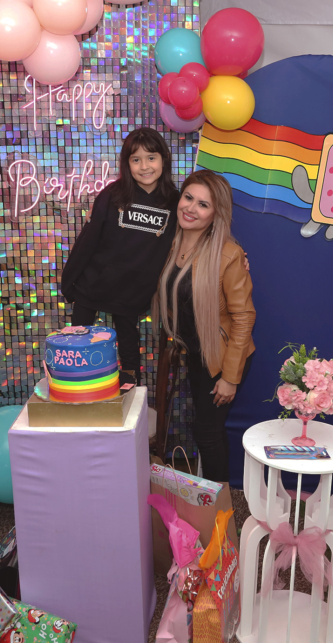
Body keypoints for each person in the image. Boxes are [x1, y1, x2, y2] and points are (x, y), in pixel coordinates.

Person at [153, 169, 255, 483]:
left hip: (221, 355)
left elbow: (244, 317)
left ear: (216, 213)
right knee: (208, 431)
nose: (191, 208)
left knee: (207, 432)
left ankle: (220, 504)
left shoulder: (228, 255)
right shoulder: (169, 241)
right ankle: (215, 498)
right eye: (188, 198)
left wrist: (230, 377)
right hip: (194, 353)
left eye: (203, 204)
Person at [61, 128, 179, 384]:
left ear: (164, 159)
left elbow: (195, 235)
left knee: (129, 348)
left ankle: (132, 393)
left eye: (151, 158)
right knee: (77, 345)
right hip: (93, 285)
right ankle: (74, 391)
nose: (144, 166)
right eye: (136, 160)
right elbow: (88, 240)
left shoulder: (174, 201)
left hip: (133, 293)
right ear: (127, 164)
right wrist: (68, 282)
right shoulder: (112, 195)